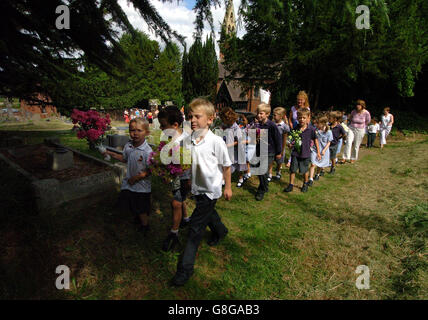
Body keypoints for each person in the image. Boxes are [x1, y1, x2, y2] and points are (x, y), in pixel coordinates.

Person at [171, 98, 232, 287]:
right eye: (190, 116)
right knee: (208, 213)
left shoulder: (216, 142)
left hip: (211, 190)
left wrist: (228, 187)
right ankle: (220, 231)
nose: (193, 120)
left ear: (210, 119)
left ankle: (185, 270)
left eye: (198, 116)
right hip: (197, 188)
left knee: (195, 230)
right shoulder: (190, 140)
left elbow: (226, 166)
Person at [104, 118, 152, 235]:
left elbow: (151, 170)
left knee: (141, 208)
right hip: (129, 183)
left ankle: (145, 226)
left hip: (141, 186)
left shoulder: (147, 151)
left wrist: (136, 178)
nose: (135, 133)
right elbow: (124, 158)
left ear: (146, 132)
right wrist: (111, 153)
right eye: (132, 130)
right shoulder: (128, 146)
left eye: (139, 130)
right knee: (131, 202)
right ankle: (136, 218)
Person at [157, 106, 191, 252]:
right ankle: (185, 219)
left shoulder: (185, 141)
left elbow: (190, 161)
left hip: (185, 177)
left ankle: (174, 233)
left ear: (175, 125)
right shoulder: (169, 138)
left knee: (175, 203)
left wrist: (188, 179)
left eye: (163, 125)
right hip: (175, 176)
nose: (160, 127)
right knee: (180, 199)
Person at [284, 108, 320, 193]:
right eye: (300, 118)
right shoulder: (296, 128)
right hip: (295, 153)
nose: (301, 120)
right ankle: (291, 185)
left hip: (305, 154)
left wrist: (318, 152)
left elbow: (315, 140)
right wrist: (289, 144)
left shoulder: (311, 129)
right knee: (292, 170)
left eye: (304, 118)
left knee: (304, 171)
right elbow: (291, 138)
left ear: (308, 118)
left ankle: (305, 183)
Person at [254, 103, 282, 201]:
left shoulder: (271, 125)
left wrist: (279, 152)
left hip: (269, 151)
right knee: (259, 170)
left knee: (263, 170)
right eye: (258, 113)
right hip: (259, 150)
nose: (259, 115)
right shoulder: (258, 125)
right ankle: (265, 186)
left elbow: (278, 139)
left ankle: (261, 190)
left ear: (267, 114)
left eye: (261, 113)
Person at [219, 108, 247, 188]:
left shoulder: (236, 129)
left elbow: (239, 141)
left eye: (223, 119)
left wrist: (229, 145)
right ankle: (223, 179)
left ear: (228, 119)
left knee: (239, 165)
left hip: (236, 150)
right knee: (226, 164)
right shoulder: (225, 125)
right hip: (227, 149)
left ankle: (240, 178)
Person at [308, 116, 333, 185]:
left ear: (323, 124)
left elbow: (329, 142)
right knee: (313, 164)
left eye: (318, 123)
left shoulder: (329, 132)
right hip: (315, 149)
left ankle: (317, 174)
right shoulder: (316, 131)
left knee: (320, 164)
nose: (316, 124)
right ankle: (310, 179)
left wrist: (324, 150)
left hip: (323, 150)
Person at [270, 107, 290, 181]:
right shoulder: (272, 124)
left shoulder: (284, 126)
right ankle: (270, 174)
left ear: (281, 116)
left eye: (275, 115)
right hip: (272, 146)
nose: (273, 117)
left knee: (279, 161)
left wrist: (282, 150)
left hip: (280, 146)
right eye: (273, 115)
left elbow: (284, 139)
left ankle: (278, 172)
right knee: (271, 160)